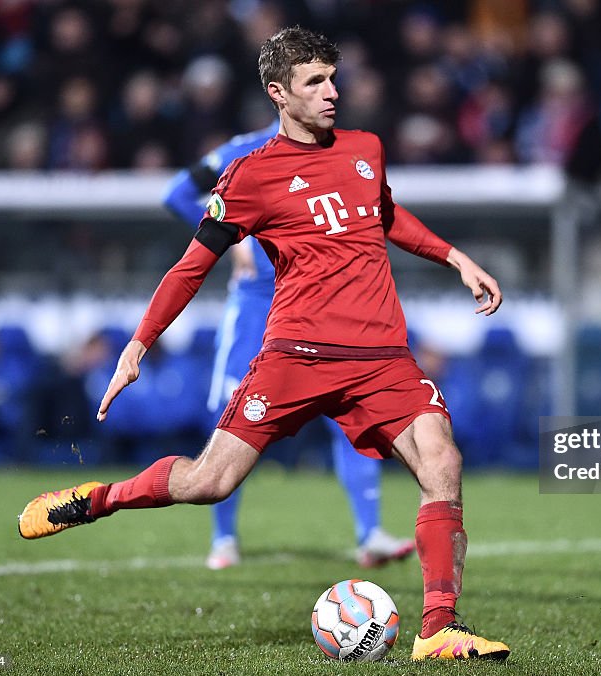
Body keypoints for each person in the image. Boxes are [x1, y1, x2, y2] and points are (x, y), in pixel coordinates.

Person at [18, 27, 510, 661]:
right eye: (315, 82)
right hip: (295, 356)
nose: (333, 92)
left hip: (381, 358)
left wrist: (456, 258)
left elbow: (383, 215)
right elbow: (190, 266)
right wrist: (139, 343)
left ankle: (438, 629)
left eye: (334, 78)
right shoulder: (250, 175)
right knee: (208, 482)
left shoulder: (365, 148)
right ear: (279, 94)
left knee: (442, 461)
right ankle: (94, 500)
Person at [163, 125, 414, 571]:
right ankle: (224, 540)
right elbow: (178, 194)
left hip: (316, 303)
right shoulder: (239, 151)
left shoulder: (338, 150)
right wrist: (224, 237)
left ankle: (369, 533)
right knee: (230, 413)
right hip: (257, 304)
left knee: (353, 411)